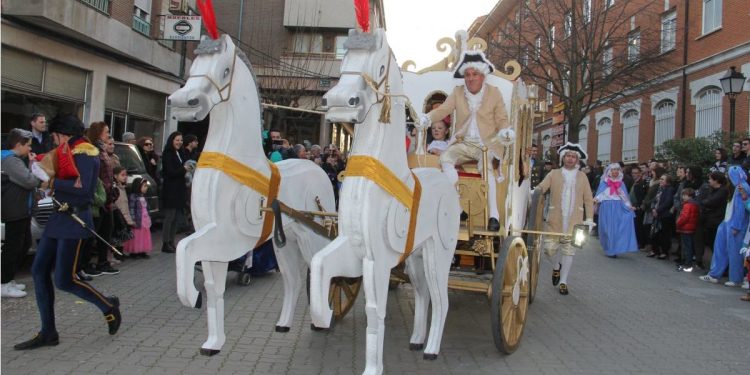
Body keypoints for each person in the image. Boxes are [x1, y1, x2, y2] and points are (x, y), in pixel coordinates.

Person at [14, 114, 121, 350]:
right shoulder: (68, 151)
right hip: (58, 218)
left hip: (75, 221)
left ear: (63, 134)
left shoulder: (86, 153)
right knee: (39, 270)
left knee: (65, 279)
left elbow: (82, 190)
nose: (53, 140)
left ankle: (108, 306)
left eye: (55, 136)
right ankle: (48, 331)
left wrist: (49, 182)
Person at [419, 49, 514, 231]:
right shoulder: (458, 92)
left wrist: (505, 132)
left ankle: (494, 215)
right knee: (445, 158)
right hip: (463, 143)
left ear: (482, 76)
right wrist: (428, 118)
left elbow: (502, 119)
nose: (470, 78)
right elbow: (443, 110)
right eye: (467, 75)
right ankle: (458, 207)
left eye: (474, 74)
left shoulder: (494, 93)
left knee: (487, 167)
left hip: (487, 144)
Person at [535, 142, 595, 295]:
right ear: (563, 158)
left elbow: (588, 199)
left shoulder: (582, 177)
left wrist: (589, 219)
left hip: (575, 221)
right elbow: (542, 187)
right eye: (568, 156)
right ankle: (556, 267)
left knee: (569, 251)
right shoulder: (554, 174)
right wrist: (533, 193)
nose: (570, 159)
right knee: (549, 250)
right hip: (555, 219)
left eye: (573, 157)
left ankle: (563, 281)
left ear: (577, 160)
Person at [1, 129, 44, 298]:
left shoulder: (16, 160)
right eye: (28, 145)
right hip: (14, 210)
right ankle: (3, 282)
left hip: (21, 209)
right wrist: (34, 170)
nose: (30, 149)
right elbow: (29, 180)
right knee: (13, 247)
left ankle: (8, 279)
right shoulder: (11, 161)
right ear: (18, 144)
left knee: (23, 244)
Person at [699, 166, 749, 286]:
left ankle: (736, 278)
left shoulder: (743, 187)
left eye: (729, 174)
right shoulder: (733, 187)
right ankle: (714, 274)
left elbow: (741, 209)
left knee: (734, 252)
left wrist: (736, 226)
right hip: (726, 222)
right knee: (720, 249)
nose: (727, 176)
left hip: (735, 225)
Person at [83, 122, 119, 276]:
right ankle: (85, 264)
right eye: (106, 132)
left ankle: (103, 262)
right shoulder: (93, 150)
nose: (108, 134)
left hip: (108, 196)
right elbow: (96, 176)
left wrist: (113, 188)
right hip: (99, 196)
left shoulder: (103, 150)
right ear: (98, 133)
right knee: (94, 232)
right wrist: (101, 194)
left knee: (106, 230)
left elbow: (108, 173)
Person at [594, 163, 638, 258]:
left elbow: (624, 197)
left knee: (616, 229)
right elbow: (599, 195)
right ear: (609, 172)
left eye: (617, 170)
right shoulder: (604, 182)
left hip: (618, 207)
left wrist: (629, 207)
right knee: (607, 229)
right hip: (606, 207)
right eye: (613, 170)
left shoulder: (621, 183)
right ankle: (608, 248)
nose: (615, 172)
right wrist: (595, 201)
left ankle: (613, 250)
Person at [160, 131, 187, 253]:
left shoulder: (180, 153)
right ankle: (165, 243)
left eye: (181, 140)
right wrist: (184, 169)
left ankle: (171, 241)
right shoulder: (167, 153)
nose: (179, 142)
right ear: (172, 140)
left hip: (179, 189)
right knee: (169, 217)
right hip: (170, 189)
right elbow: (170, 172)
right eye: (177, 140)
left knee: (176, 217)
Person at [123, 177, 152, 258]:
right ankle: (135, 252)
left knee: (144, 235)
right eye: (144, 186)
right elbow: (131, 209)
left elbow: (146, 208)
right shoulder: (133, 197)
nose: (146, 188)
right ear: (138, 186)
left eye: (146, 186)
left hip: (144, 220)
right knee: (137, 236)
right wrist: (132, 220)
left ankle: (142, 250)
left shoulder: (144, 197)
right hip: (137, 220)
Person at [648, 174, 675, 260]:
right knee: (654, 232)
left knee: (664, 234)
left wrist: (657, 210)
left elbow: (668, 202)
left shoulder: (670, 189)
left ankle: (664, 252)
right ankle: (655, 250)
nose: (660, 180)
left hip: (664, 215)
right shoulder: (660, 189)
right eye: (660, 179)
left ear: (668, 181)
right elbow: (654, 200)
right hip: (656, 214)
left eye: (663, 179)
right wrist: (653, 209)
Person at [676, 188, 700, 272]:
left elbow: (684, 217)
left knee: (687, 246)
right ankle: (687, 261)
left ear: (689, 196)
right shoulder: (694, 204)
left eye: (684, 195)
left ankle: (687, 263)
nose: (683, 197)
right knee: (688, 245)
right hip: (690, 227)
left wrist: (678, 222)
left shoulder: (688, 205)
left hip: (686, 227)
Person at [630, 167, 649, 249]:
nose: (634, 174)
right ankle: (637, 242)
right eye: (633, 173)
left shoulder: (641, 183)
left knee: (639, 226)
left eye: (636, 173)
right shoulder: (635, 183)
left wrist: (637, 206)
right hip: (632, 207)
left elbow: (641, 196)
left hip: (638, 208)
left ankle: (641, 243)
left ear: (640, 174)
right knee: (635, 225)